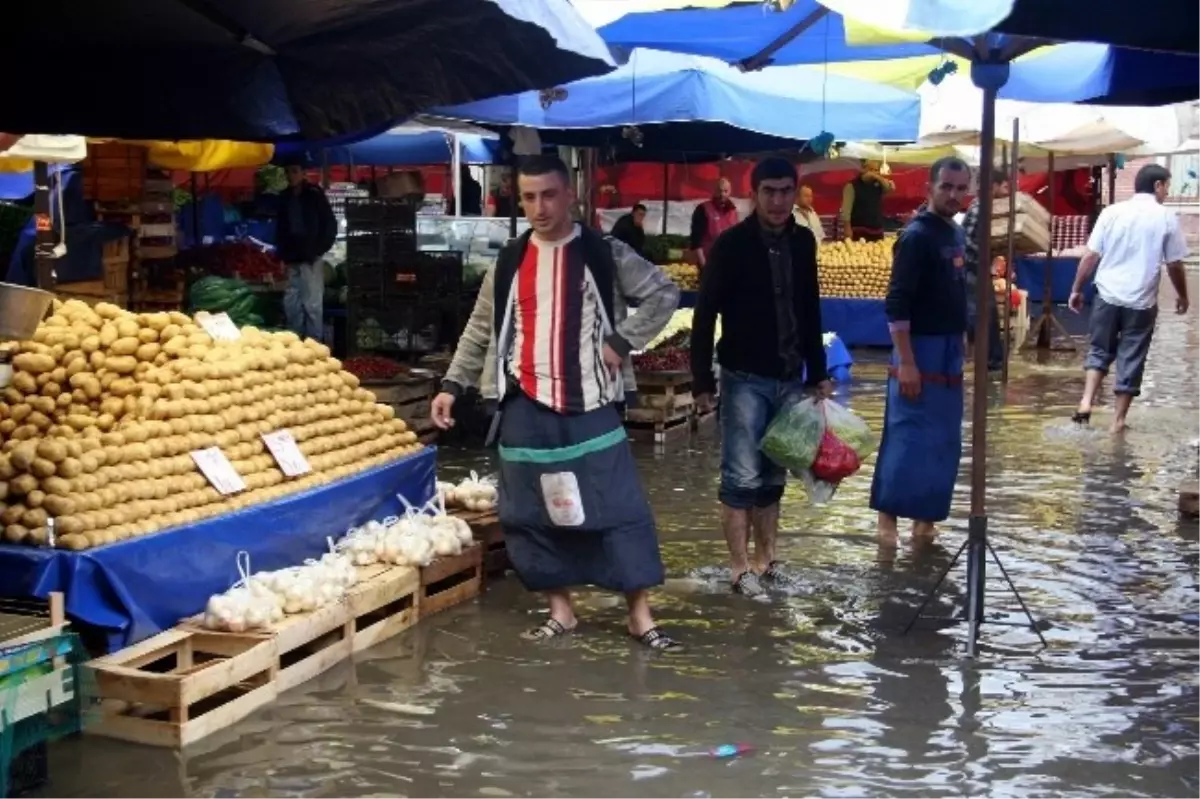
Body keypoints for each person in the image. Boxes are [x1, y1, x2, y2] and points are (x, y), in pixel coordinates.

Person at [430, 155, 683, 651]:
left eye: (549, 195)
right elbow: (480, 330)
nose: (539, 207)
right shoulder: (508, 261)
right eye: (529, 197)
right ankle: (561, 611)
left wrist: (621, 341)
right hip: (523, 400)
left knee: (616, 506)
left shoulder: (601, 252)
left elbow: (663, 294)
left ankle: (639, 615)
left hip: (589, 400)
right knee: (528, 512)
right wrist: (451, 385)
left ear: (570, 195)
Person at [690, 157, 832, 598]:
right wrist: (701, 383)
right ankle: (739, 569)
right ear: (754, 194)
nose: (777, 200)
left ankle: (767, 563)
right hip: (743, 377)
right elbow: (704, 312)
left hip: (789, 377)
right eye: (768, 191)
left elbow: (810, 308)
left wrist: (819, 373)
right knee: (741, 478)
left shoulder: (804, 242)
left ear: (795, 193)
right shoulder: (731, 244)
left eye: (785, 191)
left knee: (773, 477)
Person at [870, 156, 972, 549]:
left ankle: (925, 522)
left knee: (943, 440)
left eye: (961, 189)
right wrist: (907, 362)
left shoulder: (955, 234)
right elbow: (897, 303)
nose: (953, 195)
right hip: (917, 352)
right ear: (930, 187)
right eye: (946, 186)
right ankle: (887, 524)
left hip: (947, 351)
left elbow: (955, 291)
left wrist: (962, 338)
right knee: (906, 435)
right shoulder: (915, 237)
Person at [1068, 162, 1189, 434]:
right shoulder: (1166, 217)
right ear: (1157, 185)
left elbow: (1090, 255)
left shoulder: (1112, 212)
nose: (1167, 193)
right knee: (1131, 356)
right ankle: (1118, 421)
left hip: (1107, 295)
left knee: (1100, 349)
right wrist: (1182, 296)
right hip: (1141, 301)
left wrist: (1076, 288)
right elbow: (1175, 264)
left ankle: (1086, 402)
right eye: (1167, 186)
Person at [277, 164, 337, 342]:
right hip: (291, 258)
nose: (290, 175)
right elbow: (280, 229)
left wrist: (318, 250)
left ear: (304, 173)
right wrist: (281, 255)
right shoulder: (284, 197)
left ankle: (314, 344)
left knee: (312, 304)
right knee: (291, 304)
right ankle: (295, 343)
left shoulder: (314, 195)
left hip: (310, 257)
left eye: (294, 171)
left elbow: (330, 225)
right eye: (288, 171)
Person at [960, 171, 1010, 372]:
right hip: (972, 269)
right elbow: (964, 239)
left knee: (988, 315)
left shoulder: (989, 208)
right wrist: (985, 253)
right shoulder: (979, 208)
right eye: (1005, 187)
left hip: (979, 270)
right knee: (980, 315)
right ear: (994, 186)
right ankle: (986, 362)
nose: (1007, 192)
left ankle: (992, 361)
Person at [840, 160, 895, 242]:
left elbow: (889, 189)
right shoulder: (851, 186)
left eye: (876, 170)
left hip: (877, 230)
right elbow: (846, 211)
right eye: (871, 169)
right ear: (863, 169)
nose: (873, 173)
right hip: (859, 230)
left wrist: (878, 177)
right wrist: (847, 228)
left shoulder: (878, 183)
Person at [689, 178, 739, 268]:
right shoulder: (703, 209)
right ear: (714, 191)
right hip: (709, 263)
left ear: (730, 192)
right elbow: (696, 241)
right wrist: (704, 266)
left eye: (725, 191)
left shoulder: (733, 211)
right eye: (719, 191)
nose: (722, 194)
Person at [792, 185, 825, 250]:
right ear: (798, 197)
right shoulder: (790, 215)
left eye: (811, 196)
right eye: (806, 196)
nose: (809, 199)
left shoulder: (813, 214)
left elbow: (821, 236)